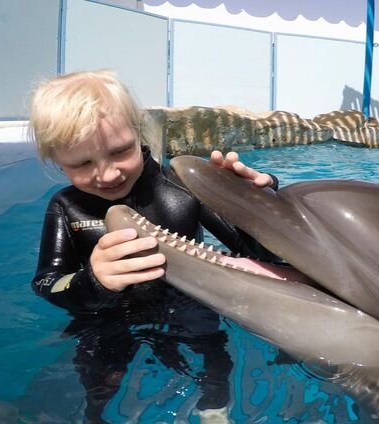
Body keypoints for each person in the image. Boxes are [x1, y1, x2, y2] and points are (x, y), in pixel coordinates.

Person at [29, 70, 295, 423]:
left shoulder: (184, 185)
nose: (108, 175)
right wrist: (92, 282)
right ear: (56, 162)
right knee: (98, 376)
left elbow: (258, 252)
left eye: (120, 151)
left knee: (211, 353)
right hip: (109, 315)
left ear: (140, 132)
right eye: (82, 164)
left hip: (189, 304)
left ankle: (215, 410)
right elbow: (47, 282)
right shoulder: (66, 207)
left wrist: (256, 200)